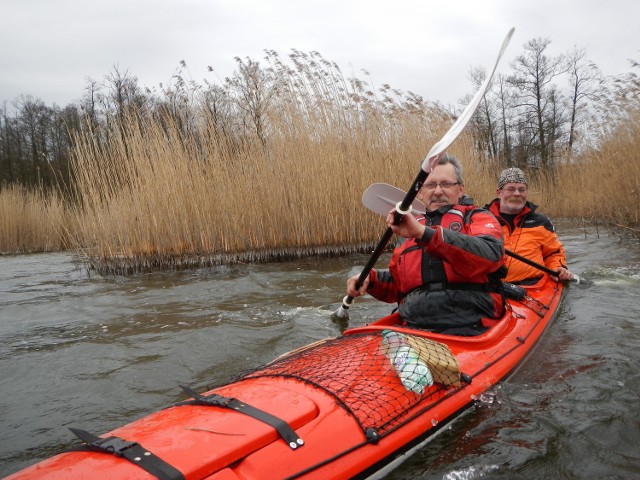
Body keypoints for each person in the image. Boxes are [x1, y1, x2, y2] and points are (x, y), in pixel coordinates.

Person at [347, 153, 506, 336]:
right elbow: (400, 285)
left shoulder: (478, 217)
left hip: (472, 324)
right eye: (430, 185)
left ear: (460, 190)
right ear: (420, 192)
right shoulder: (409, 227)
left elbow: (490, 254)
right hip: (416, 326)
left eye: (446, 184)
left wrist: (424, 234)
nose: (438, 191)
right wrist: (370, 280)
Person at [485, 167, 573, 284]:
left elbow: (554, 253)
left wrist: (557, 267)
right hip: (490, 287)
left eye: (521, 189)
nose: (516, 194)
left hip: (533, 287)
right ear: (499, 192)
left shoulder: (541, 222)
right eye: (511, 189)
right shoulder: (481, 220)